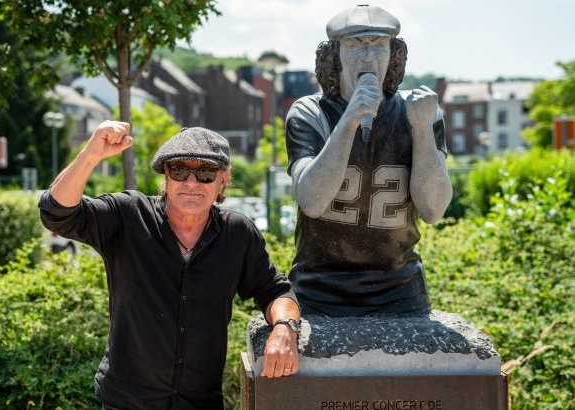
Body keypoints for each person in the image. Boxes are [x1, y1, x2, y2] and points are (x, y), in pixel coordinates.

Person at [38, 122, 301, 410]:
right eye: (179, 171)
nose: (191, 182)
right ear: (166, 175)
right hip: (127, 402)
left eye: (204, 174)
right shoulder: (128, 216)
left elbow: (275, 291)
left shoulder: (238, 233)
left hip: (200, 403)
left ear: (222, 181)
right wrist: (91, 154)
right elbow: (57, 214)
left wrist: (285, 328)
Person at [284, 5, 453, 316]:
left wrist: (421, 129)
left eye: (378, 46)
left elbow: (434, 209)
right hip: (318, 292)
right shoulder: (310, 112)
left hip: (401, 292)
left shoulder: (419, 111)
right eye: (355, 46)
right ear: (334, 56)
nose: (367, 58)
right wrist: (350, 119)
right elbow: (310, 200)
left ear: (394, 55)